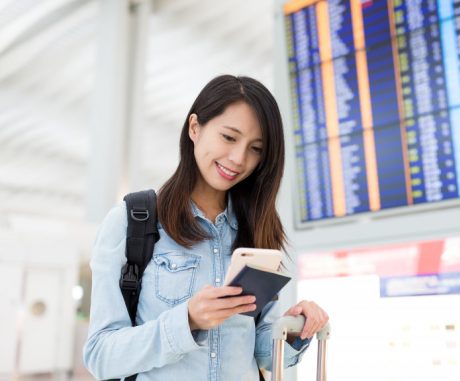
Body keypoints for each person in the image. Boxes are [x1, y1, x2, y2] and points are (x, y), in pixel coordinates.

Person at [84, 75, 329, 380]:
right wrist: (187, 320)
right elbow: (100, 355)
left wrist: (294, 330)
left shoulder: (257, 227)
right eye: (229, 137)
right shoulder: (133, 220)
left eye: (255, 148)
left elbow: (261, 353)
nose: (239, 158)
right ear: (195, 128)